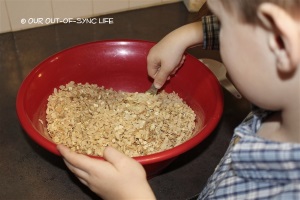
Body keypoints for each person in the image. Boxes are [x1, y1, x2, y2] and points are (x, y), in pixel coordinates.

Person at [57, 0, 300, 199]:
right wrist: (187, 34)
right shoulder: (284, 95)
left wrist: (131, 196)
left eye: (224, 26)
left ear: (280, 44)